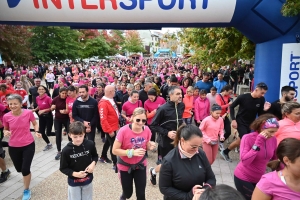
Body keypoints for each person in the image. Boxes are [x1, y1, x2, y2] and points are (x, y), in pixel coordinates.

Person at [159, 124, 216, 200]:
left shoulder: (201, 153)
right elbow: (164, 188)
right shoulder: (169, 160)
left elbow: (211, 178)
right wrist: (188, 196)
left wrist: (203, 191)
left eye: (199, 146)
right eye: (193, 147)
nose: (196, 150)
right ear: (182, 140)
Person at [3, 94, 42, 200]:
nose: (12, 105)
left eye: (15, 103)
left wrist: (37, 131)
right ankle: (26, 175)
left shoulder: (28, 113)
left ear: (21, 104)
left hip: (28, 144)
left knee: (25, 169)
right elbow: (5, 129)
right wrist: (6, 132)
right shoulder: (6, 116)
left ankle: (26, 189)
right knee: (19, 169)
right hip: (13, 146)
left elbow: (35, 123)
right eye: (10, 104)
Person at [112, 108, 156, 200]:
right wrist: (131, 152)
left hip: (140, 165)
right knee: (128, 193)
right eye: (138, 120)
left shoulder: (147, 130)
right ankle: (124, 196)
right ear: (132, 118)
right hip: (125, 165)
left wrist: (150, 146)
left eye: (144, 120)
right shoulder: (123, 131)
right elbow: (115, 150)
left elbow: (146, 145)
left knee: (141, 193)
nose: (141, 123)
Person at [221, 82, 271, 162]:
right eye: (262, 93)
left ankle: (225, 151)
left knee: (241, 140)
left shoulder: (261, 99)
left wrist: (264, 110)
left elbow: (260, 114)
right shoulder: (243, 97)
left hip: (251, 123)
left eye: (264, 93)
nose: (263, 95)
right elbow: (232, 106)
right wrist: (233, 119)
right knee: (245, 139)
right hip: (240, 121)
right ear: (256, 89)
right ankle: (246, 158)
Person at [233, 114, 279, 200]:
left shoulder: (273, 139)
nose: (273, 134)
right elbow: (245, 161)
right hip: (243, 177)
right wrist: (258, 143)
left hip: (259, 178)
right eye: (271, 131)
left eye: (275, 131)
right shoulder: (247, 138)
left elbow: (274, 158)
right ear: (262, 127)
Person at [149, 86, 185, 185]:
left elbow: (180, 120)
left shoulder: (182, 105)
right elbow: (153, 125)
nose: (180, 96)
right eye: (177, 94)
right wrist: (167, 133)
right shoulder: (162, 109)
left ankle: (173, 181)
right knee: (166, 164)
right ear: (170, 95)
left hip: (179, 139)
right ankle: (153, 172)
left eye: (181, 94)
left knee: (178, 161)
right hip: (165, 141)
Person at [60, 121, 98, 200]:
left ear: (84, 133)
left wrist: (93, 164)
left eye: (80, 136)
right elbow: (63, 168)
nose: (78, 139)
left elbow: (95, 156)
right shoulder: (66, 150)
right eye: (75, 136)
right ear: (70, 135)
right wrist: (75, 174)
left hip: (88, 180)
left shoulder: (90, 144)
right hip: (73, 182)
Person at [98, 85, 120, 169]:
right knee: (113, 145)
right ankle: (115, 163)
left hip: (113, 126)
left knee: (108, 142)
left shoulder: (110, 99)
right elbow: (103, 119)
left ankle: (103, 156)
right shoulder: (103, 103)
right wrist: (109, 130)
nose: (115, 92)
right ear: (110, 92)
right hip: (110, 127)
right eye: (114, 90)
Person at [51, 87, 70, 160]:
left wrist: (66, 111)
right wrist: (52, 107)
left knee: (69, 133)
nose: (64, 95)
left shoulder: (68, 98)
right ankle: (59, 151)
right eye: (63, 93)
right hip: (58, 119)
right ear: (59, 93)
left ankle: (70, 148)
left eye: (65, 93)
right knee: (58, 134)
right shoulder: (56, 99)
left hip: (66, 118)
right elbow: (52, 107)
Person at [33, 85, 53, 151]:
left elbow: (52, 108)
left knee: (48, 133)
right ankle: (49, 144)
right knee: (41, 132)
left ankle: (58, 135)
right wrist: (34, 110)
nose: (41, 90)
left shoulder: (48, 98)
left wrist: (44, 110)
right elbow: (39, 106)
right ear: (37, 91)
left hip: (48, 116)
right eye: (39, 89)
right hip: (41, 117)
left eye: (42, 89)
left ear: (45, 90)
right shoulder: (37, 98)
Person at [215, 85, 233, 150]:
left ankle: (221, 142)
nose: (230, 94)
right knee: (218, 130)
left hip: (225, 115)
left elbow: (229, 107)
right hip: (218, 116)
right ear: (225, 91)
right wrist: (228, 104)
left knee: (228, 131)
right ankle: (215, 143)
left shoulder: (228, 96)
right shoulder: (218, 96)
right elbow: (220, 107)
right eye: (229, 92)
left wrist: (226, 113)